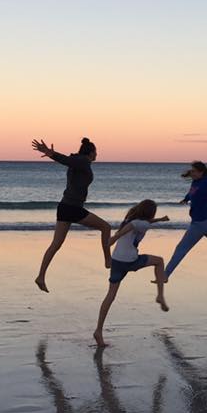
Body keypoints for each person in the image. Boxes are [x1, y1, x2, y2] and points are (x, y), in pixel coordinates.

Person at [31, 137, 112, 292]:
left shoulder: (78, 161)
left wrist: (51, 153)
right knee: (106, 228)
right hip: (73, 208)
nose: (97, 155)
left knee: (56, 244)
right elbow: (66, 160)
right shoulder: (82, 161)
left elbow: (68, 161)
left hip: (65, 207)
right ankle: (108, 261)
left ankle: (40, 277)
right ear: (91, 153)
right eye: (96, 152)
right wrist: (51, 153)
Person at [94, 199, 170, 348]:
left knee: (110, 295)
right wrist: (115, 237)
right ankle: (160, 295)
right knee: (159, 261)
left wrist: (160, 220)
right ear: (149, 213)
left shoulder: (132, 219)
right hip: (130, 260)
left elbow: (140, 223)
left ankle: (98, 330)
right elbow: (135, 226)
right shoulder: (138, 223)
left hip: (117, 260)